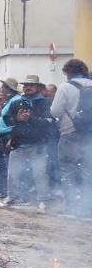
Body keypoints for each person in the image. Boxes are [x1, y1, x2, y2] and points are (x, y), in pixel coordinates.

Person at [0, 74, 54, 212]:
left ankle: (43, 201)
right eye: (26, 85)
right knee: (12, 173)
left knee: (39, 174)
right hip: (18, 144)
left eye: (31, 85)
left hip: (38, 146)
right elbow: (7, 119)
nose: (28, 87)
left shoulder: (46, 102)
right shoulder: (16, 102)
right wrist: (17, 119)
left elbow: (48, 122)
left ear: (38, 87)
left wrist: (30, 118)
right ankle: (11, 197)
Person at [51, 58, 92, 219]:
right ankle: (87, 209)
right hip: (90, 135)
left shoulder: (65, 87)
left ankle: (71, 207)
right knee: (88, 172)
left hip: (70, 133)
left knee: (67, 170)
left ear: (68, 72)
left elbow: (55, 112)